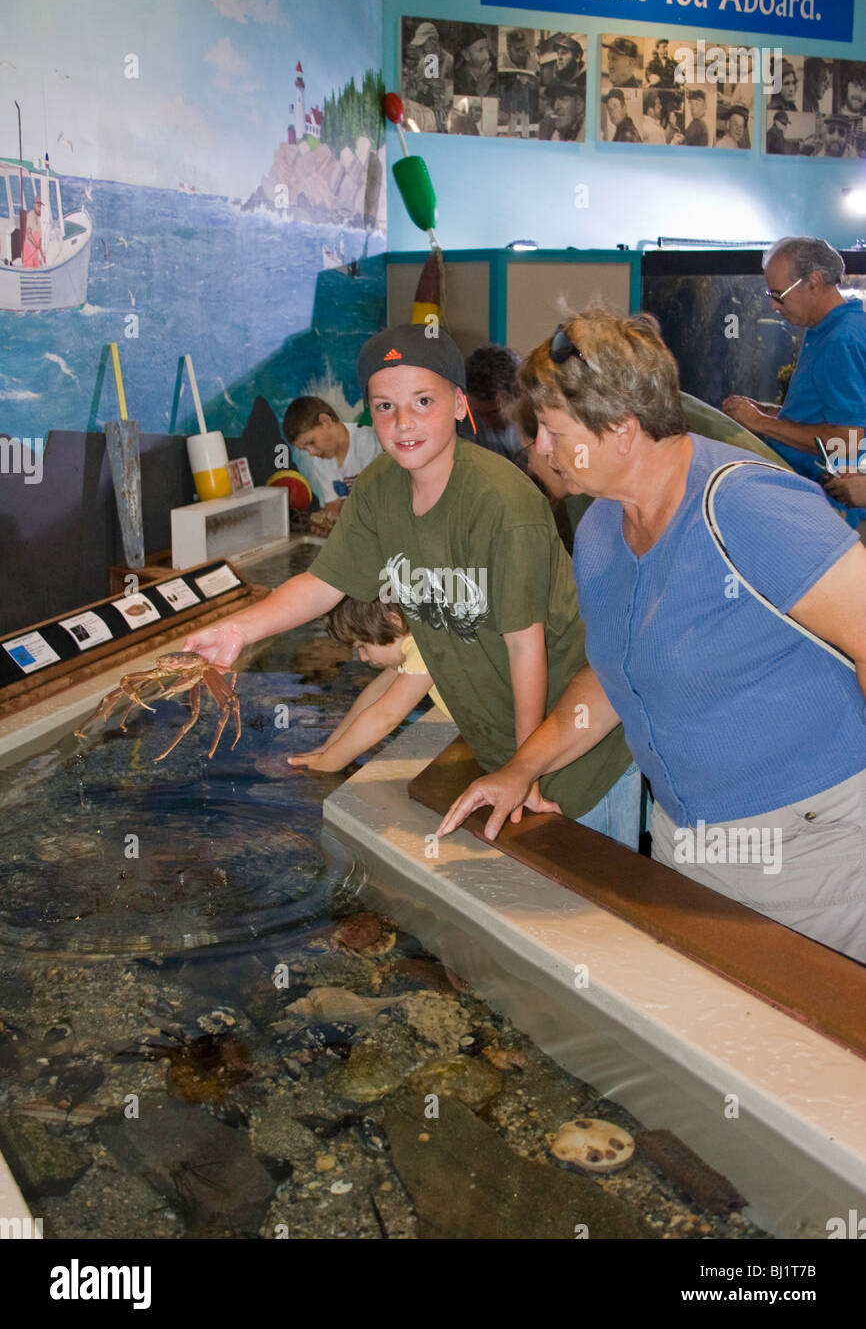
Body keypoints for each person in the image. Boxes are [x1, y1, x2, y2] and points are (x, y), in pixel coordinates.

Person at [438, 309, 866, 962]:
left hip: (812, 850)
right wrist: (522, 768)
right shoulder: (602, 530)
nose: (540, 452)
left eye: (552, 432)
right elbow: (614, 678)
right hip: (688, 846)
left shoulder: (745, 507)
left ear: (622, 429)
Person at [186, 324, 638, 847]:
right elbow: (322, 584)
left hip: (579, 754)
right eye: (384, 406)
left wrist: (524, 770)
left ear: (459, 403)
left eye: (423, 400)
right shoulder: (379, 487)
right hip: (507, 751)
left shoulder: (500, 504)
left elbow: (524, 646)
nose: (403, 422)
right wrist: (238, 630)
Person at [721, 236, 866, 532]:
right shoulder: (827, 330)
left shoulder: (842, 340)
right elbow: (825, 414)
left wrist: (763, 424)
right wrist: (768, 411)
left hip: (827, 511)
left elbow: (849, 439)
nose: (773, 306)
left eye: (778, 294)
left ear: (814, 281)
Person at [286, 596, 452, 773]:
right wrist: (330, 746)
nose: (364, 657)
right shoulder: (421, 636)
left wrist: (330, 763)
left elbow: (385, 716)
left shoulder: (424, 650)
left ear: (394, 621)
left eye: (362, 646)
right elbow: (377, 692)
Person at [283, 395, 381, 527]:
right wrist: (325, 523)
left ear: (326, 421)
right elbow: (333, 504)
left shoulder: (367, 441)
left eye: (311, 442)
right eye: (305, 449)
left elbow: (374, 500)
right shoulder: (321, 460)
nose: (312, 453)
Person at [457, 344, 529, 470]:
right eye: (479, 414)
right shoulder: (466, 419)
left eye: (494, 413)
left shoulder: (537, 423)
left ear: (518, 395)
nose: (486, 423)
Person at [454, 26, 496, 98]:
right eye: (480, 50)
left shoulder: (493, 74)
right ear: (466, 55)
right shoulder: (456, 81)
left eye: (487, 49)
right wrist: (478, 92)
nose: (487, 56)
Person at [22, 196, 45, 268]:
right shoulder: (30, 215)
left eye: (40, 206)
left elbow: (39, 240)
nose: (40, 209)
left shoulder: (38, 219)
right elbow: (29, 235)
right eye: (38, 206)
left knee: (36, 270)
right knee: (28, 270)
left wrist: (42, 255)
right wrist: (37, 245)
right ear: (34, 205)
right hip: (29, 250)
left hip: (35, 252)